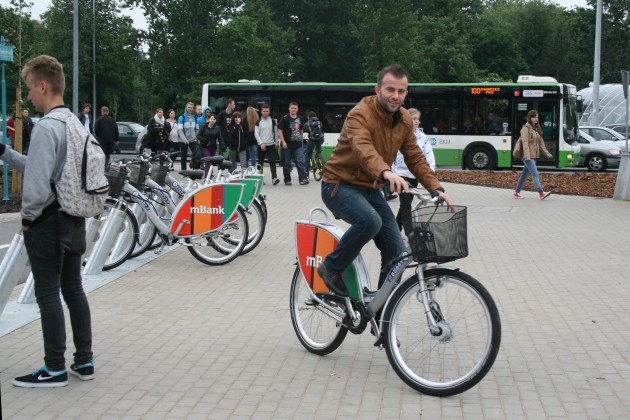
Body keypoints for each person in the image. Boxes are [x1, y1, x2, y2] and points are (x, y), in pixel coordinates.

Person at [317, 64, 453, 305]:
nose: (395, 96)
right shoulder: (360, 114)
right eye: (390, 89)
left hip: (370, 189)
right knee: (370, 221)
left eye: (401, 92)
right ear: (377, 89)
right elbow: (363, 149)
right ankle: (330, 267)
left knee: (397, 252)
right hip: (339, 185)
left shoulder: (404, 121)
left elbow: (415, 157)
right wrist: (387, 172)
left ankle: (380, 312)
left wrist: (437, 188)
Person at [0, 55, 94, 387]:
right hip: (74, 218)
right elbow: (53, 171)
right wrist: (8, 154)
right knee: (73, 289)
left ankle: (53, 367)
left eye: (29, 89)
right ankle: (84, 361)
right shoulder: (75, 126)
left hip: (48, 223)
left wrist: (26, 220)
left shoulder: (45, 127)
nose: (28, 97)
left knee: (47, 293)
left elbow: (39, 184)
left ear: (43, 85)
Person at [392, 108, 436, 232]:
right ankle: (410, 233)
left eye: (418, 119)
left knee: (406, 204)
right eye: (414, 119)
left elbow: (429, 154)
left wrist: (431, 170)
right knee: (405, 204)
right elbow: (391, 155)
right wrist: (393, 173)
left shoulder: (423, 137)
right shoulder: (398, 134)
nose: (417, 121)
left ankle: (395, 229)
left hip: (414, 175)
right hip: (400, 175)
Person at [514, 110, 552, 200]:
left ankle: (517, 192)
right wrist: (527, 157)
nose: (536, 119)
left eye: (537, 117)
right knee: (535, 173)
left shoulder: (536, 129)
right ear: (530, 118)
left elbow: (541, 144)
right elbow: (525, 143)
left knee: (524, 174)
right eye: (534, 117)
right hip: (527, 156)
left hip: (534, 156)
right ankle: (541, 192)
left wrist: (548, 154)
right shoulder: (525, 128)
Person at [278, 102, 308, 185]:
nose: (293, 109)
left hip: (298, 145)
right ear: (289, 109)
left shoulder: (301, 118)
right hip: (287, 145)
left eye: (295, 108)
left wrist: (301, 141)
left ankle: (302, 179)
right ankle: (287, 180)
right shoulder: (284, 118)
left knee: (300, 161)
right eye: (292, 108)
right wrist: (283, 142)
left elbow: (301, 130)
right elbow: (280, 131)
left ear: (297, 109)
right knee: (287, 163)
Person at [255, 103, 280, 185]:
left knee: (272, 161)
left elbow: (276, 132)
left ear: (269, 112)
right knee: (260, 162)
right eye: (264, 111)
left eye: (267, 111)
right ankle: (260, 179)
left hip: (271, 145)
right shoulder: (258, 122)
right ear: (261, 112)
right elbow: (256, 134)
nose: (265, 112)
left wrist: (276, 142)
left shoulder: (273, 121)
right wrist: (261, 143)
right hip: (261, 145)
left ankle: (274, 178)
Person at [196, 110, 225, 176]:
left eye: (214, 119)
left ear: (215, 121)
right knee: (208, 160)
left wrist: (222, 146)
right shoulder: (204, 126)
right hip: (205, 146)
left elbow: (220, 138)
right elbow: (198, 135)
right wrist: (204, 140)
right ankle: (207, 176)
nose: (212, 120)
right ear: (209, 119)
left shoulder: (217, 128)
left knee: (211, 162)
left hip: (213, 147)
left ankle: (210, 174)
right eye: (211, 118)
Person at [303, 111, 324, 179]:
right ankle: (319, 159)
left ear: (309, 116)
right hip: (320, 139)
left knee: (307, 156)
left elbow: (304, 130)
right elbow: (322, 129)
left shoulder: (307, 123)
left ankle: (306, 174)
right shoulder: (319, 122)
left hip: (312, 140)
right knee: (319, 150)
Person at [178, 101, 198, 170]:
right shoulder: (181, 118)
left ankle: (195, 170)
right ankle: (183, 171)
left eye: (191, 108)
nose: (190, 109)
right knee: (184, 156)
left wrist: (195, 138)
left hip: (193, 140)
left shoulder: (195, 118)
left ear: (193, 109)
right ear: (186, 108)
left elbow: (197, 130)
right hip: (184, 140)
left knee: (196, 153)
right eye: (189, 107)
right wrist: (184, 140)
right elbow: (180, 130)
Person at [217, 98, 236, 169]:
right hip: (223, 137)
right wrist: (219, 136)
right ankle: (220, 169)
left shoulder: (234, 114)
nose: (235, 105)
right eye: (233, 104)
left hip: (231, 138)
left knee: (232, 155)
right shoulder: (221, 114)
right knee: (221, 154)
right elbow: (218, 126)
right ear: (229, 104)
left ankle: (232, 170)